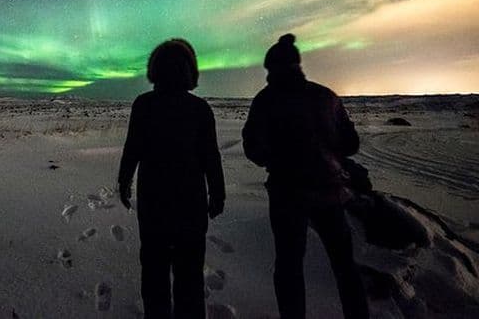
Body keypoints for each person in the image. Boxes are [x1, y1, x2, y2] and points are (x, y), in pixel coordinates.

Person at [242, 34, 369, 319]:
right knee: (344, 266)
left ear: (272, 68)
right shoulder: (325, 96)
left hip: (287, 196)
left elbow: (253, 149)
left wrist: (275, 158)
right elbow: (351, 143)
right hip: (330, 192)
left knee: (289, 267)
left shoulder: (265, 100)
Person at [118, 38, 226, 319]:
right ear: (189, 70)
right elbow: (211, 157)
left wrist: (124, 180)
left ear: (155, 69)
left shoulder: (143, 105)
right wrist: (217, 192)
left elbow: (133, 150)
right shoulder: (199, 109)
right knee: (189, 277)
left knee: (154, 275)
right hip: (190, 205)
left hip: (154, 205)